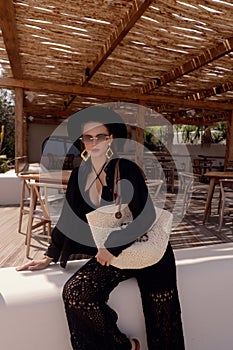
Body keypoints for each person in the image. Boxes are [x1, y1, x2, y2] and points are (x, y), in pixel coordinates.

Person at [17, 106, 185, 350]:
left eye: (100, 136)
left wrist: (112, 246)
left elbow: (146, 215)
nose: (93, 142)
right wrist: (49, 254)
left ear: (111, 139)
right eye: (88, 137)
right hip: (111, 254)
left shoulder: (126, 169)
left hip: (150, 252)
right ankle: (125, 347)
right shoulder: (78, 175)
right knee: (76, 294)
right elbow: (69, 218)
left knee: (164, 326)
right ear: (83, 141)